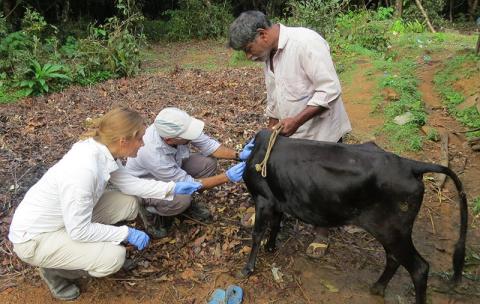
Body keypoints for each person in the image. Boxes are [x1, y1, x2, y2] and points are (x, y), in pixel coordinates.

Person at [8, 107, 203, 301]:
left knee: (127, 203)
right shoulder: (84, 171)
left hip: (65, 219)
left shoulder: (104, 151)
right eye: (140, 139)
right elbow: (79, 231)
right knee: (113, 258)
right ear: (123, 141)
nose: (143, 144)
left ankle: (90, 251)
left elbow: (130, 184)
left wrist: (172, 188)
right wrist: (126, 233)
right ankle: (56, 272)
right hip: (35, 238)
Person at [228, 11, 352, 258]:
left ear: (262, 35)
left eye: (248, 48)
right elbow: (274, 96)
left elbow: (329, 89)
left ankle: (321, 232)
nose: (248, 56)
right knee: (280, 173)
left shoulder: (305, 42)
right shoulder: (268, 55)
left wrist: (296, 120)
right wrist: (269, 134)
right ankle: (274, 210)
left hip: (321, 132)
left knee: (321, 185)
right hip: (292, 131)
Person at [126, 107, 252, 238]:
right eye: (188, 135)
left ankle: (188, 203)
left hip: (173, 167)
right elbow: (188, 182)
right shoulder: (151, 152)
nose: (192, 136)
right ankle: (149, 211)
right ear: (169, 140)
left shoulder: (176, 128)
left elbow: (209, 145)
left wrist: (239, 154)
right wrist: (227, 176)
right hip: (147, 184)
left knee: (208, 164)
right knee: (182, 200)